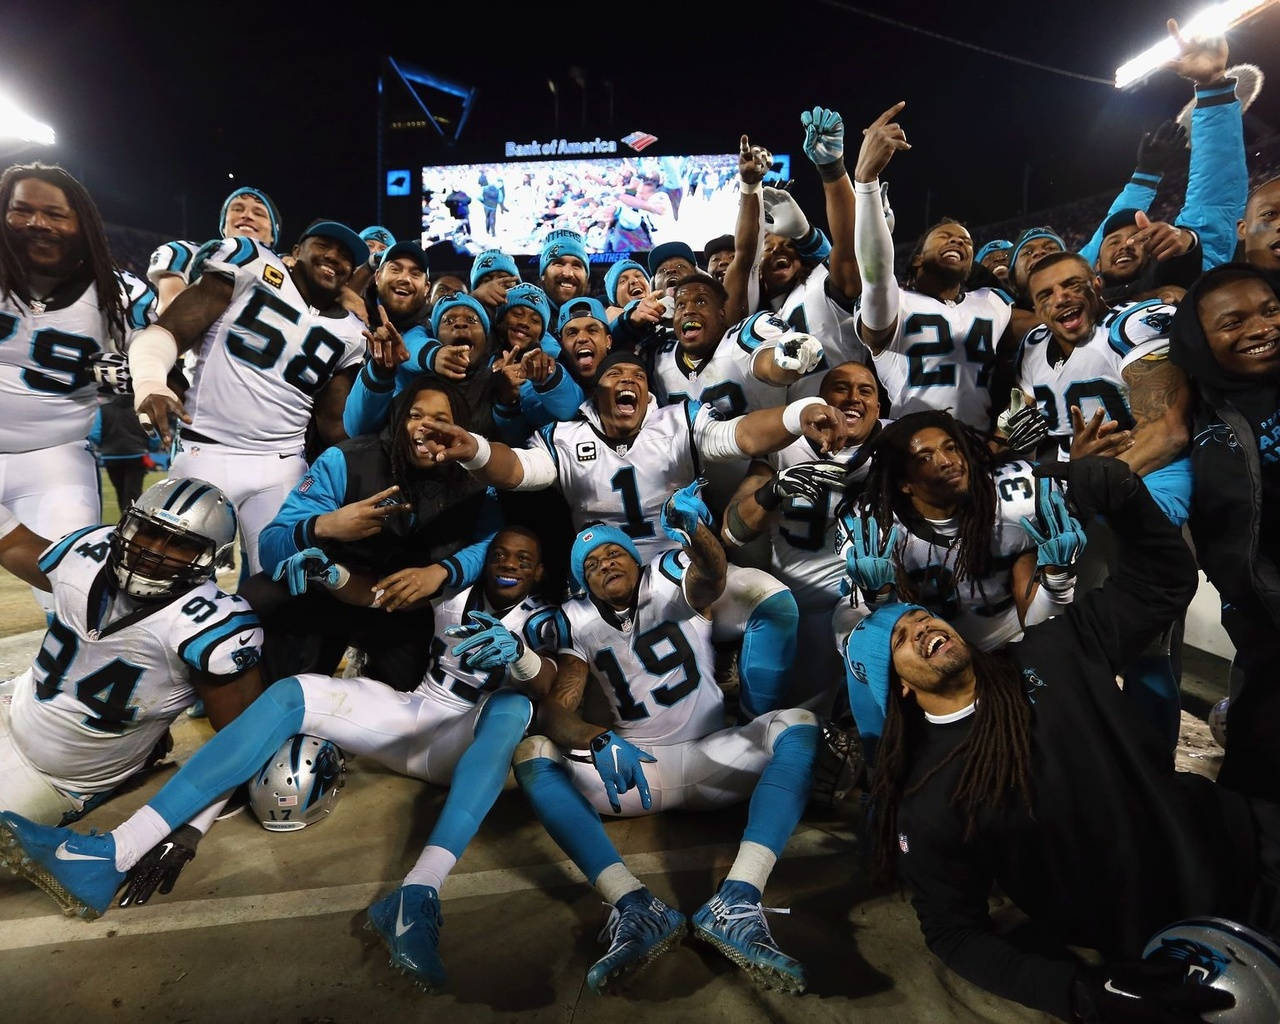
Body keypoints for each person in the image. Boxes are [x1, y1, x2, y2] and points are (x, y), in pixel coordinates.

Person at [0, 529, 562, 989]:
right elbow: (375, 595)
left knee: (513, 707)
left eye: (524, 559)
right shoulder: (453, 591)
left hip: (467, 741)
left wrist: (524, 659)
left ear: (539, 572)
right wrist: (332, 574)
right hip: (415, 715)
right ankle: (115, 852)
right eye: (501, 554)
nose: (509, 564)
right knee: (292, 692)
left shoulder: (543, 618)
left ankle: (419, 892)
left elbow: (555, 686)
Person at [852, 456, 1278, 1022]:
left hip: (1245, 837)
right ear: (899, 686)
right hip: (1168, 929)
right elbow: (954, 933)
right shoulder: (930, 797)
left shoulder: (1054, 648)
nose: (922, 626)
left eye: (922, 617)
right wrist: (1079, 992)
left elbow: (1162, 585)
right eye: (901, 638)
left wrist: (1128, 504)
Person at [417, 349, 848, 719]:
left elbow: (741, 435)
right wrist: (475, 450)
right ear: (595, 391)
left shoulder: (678, 422)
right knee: (599, 711)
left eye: (639, 376)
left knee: (772, 602)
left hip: (683, 574)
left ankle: (756, 725)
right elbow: (519, 469)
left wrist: (799, 414)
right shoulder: (566, 437)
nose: (629, 381)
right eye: (616, 374)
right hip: (602, 589)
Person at [512, 500, 818, 994]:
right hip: (637, 772)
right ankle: (634, 905)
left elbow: (711, 575)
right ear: (583, 585)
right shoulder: (576, 622)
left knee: (799, 724)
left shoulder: (672, 577)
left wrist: (696, 532)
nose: (604, 564)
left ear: (636, 559)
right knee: (533, 753)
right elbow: (555, 710)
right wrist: (596, 737)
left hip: (711, 756)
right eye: (591, 565)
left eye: (613, 554)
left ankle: (738, 899)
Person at [0, 478, 263, 830]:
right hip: (14, 704)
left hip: (56, 777)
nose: (152, 551)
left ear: (210, 558)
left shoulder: (209, 627)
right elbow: (13, 544)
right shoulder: (87, 553)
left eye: (180, 544)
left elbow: (245, 737)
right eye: (148, 531)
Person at [127, 221, 369, 574]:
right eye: (324, 245)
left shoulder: (353, 333)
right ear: (296, 251)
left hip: (282, 466)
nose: (334, 256)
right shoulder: (252, 262)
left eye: (346, 256)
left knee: (285, 582)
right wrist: (150, 381)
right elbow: (170, 330)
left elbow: (333, 423)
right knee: (165, 572)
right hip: (205, 452)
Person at [836, 412, 1082, 758]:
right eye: (925, 457)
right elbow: (871, 627)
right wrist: (881, 600)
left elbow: (1046, 623)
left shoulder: (1018, 495)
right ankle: (878, 758)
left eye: (951, 447)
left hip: (1010, 633)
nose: (947, 460)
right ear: (904, 483)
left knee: (1040, 591)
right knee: (852, 628)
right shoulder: (876, 525)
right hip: (929, 648)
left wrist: (1057, 578)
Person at [257, 377, 500, 691]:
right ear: (398, 420)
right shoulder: (344, 460)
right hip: (329, 594)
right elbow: (270, 547)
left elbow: (491, 541)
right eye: (415, 415)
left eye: (440, 419)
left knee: (404, 694)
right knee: (264, 596)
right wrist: (326, 525)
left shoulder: (475, 478)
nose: (426, 426)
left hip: (402, 608)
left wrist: (441, 572)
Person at [0, 163, 154, 610]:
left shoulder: (116, 291)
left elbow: (156, 346)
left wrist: (143, 373)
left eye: (54, 214)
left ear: (81, 223)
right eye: (22, 210)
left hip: (54, 459)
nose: (37, 223)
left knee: (78, 597)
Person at [1168, 264, 1280, 803]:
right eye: (1233, 322)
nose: (1261, 328)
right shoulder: (1191, 411)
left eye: (1270, 310)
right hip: (1262, 624)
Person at [852, 104, 1023, 431]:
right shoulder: (896, 301)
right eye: (945, 236)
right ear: (918, 258)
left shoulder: (993, 301)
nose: (959, 241)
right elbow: (875, 274)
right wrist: (866, 182)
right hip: (913, 444)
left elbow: (1046, 325)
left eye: (966, 241)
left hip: (979, 446)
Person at [723, 361, 882, 701]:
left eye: (865, 391)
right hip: (801, 608)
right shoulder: (786, 446)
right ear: (821, 401)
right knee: (799, 708)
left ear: (878, 408)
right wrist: (772, 490)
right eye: (841, 388)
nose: (853, 398)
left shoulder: (900, 442)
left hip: (873, 599)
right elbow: (732, 531)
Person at [1018, 251, 1191, 519]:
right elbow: (1017, 414)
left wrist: (1083, 491)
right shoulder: (1034, 343)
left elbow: (1167, 434)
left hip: (1151, 469)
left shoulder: (1132, 327)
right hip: (1071, 476)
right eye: (1046, 295)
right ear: (1036, 310)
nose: (1061, 298)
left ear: (1097, 285)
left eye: (1072, 285)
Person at [147, 186, 282, 313]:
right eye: (237, 209)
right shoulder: (187, 253)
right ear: (223, 225)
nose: (247, 215)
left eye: (259, 213)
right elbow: (170, 318)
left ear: (273, 234)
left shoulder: (287, 274)